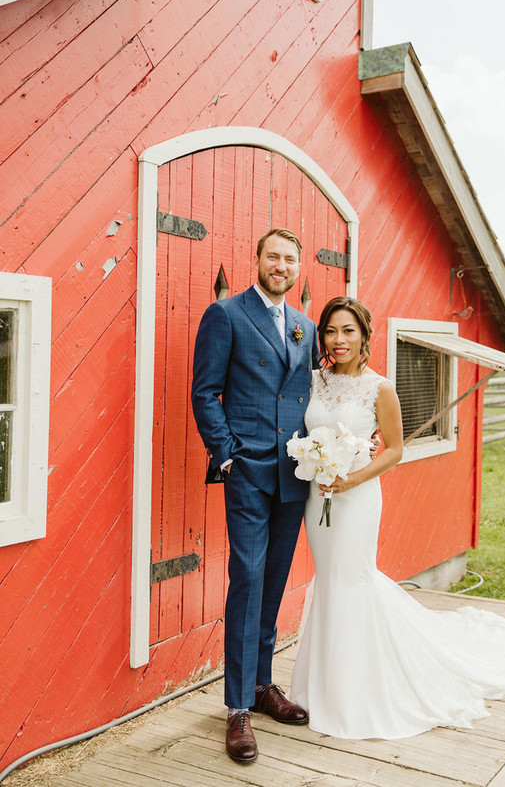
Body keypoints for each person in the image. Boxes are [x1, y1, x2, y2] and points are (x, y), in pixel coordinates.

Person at [290, 296, 505, 740]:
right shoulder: (314, 381)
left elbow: (396, 450)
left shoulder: (379, 387)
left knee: (352, 580)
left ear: (365, 334)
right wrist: (316, 463)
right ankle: (318, 686)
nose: (338, 340)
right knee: (328, 580)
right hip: (317, 494)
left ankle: (354, 693)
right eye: (330, 331)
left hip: (356, 497)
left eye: (348, 331)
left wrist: (353, 477)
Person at [191, 227, 320, 763]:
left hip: (293, 473)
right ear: (257, 259)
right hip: (247, 470)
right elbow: (205, 391)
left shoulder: (305, 326)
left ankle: (265, 686)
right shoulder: (226, 314)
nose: (281, 266)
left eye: (290, 259)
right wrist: (226, 455)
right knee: (246, 579)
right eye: (273, 256)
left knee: (273, 582)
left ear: (297, 267)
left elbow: (313, 391)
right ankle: (238, 708)